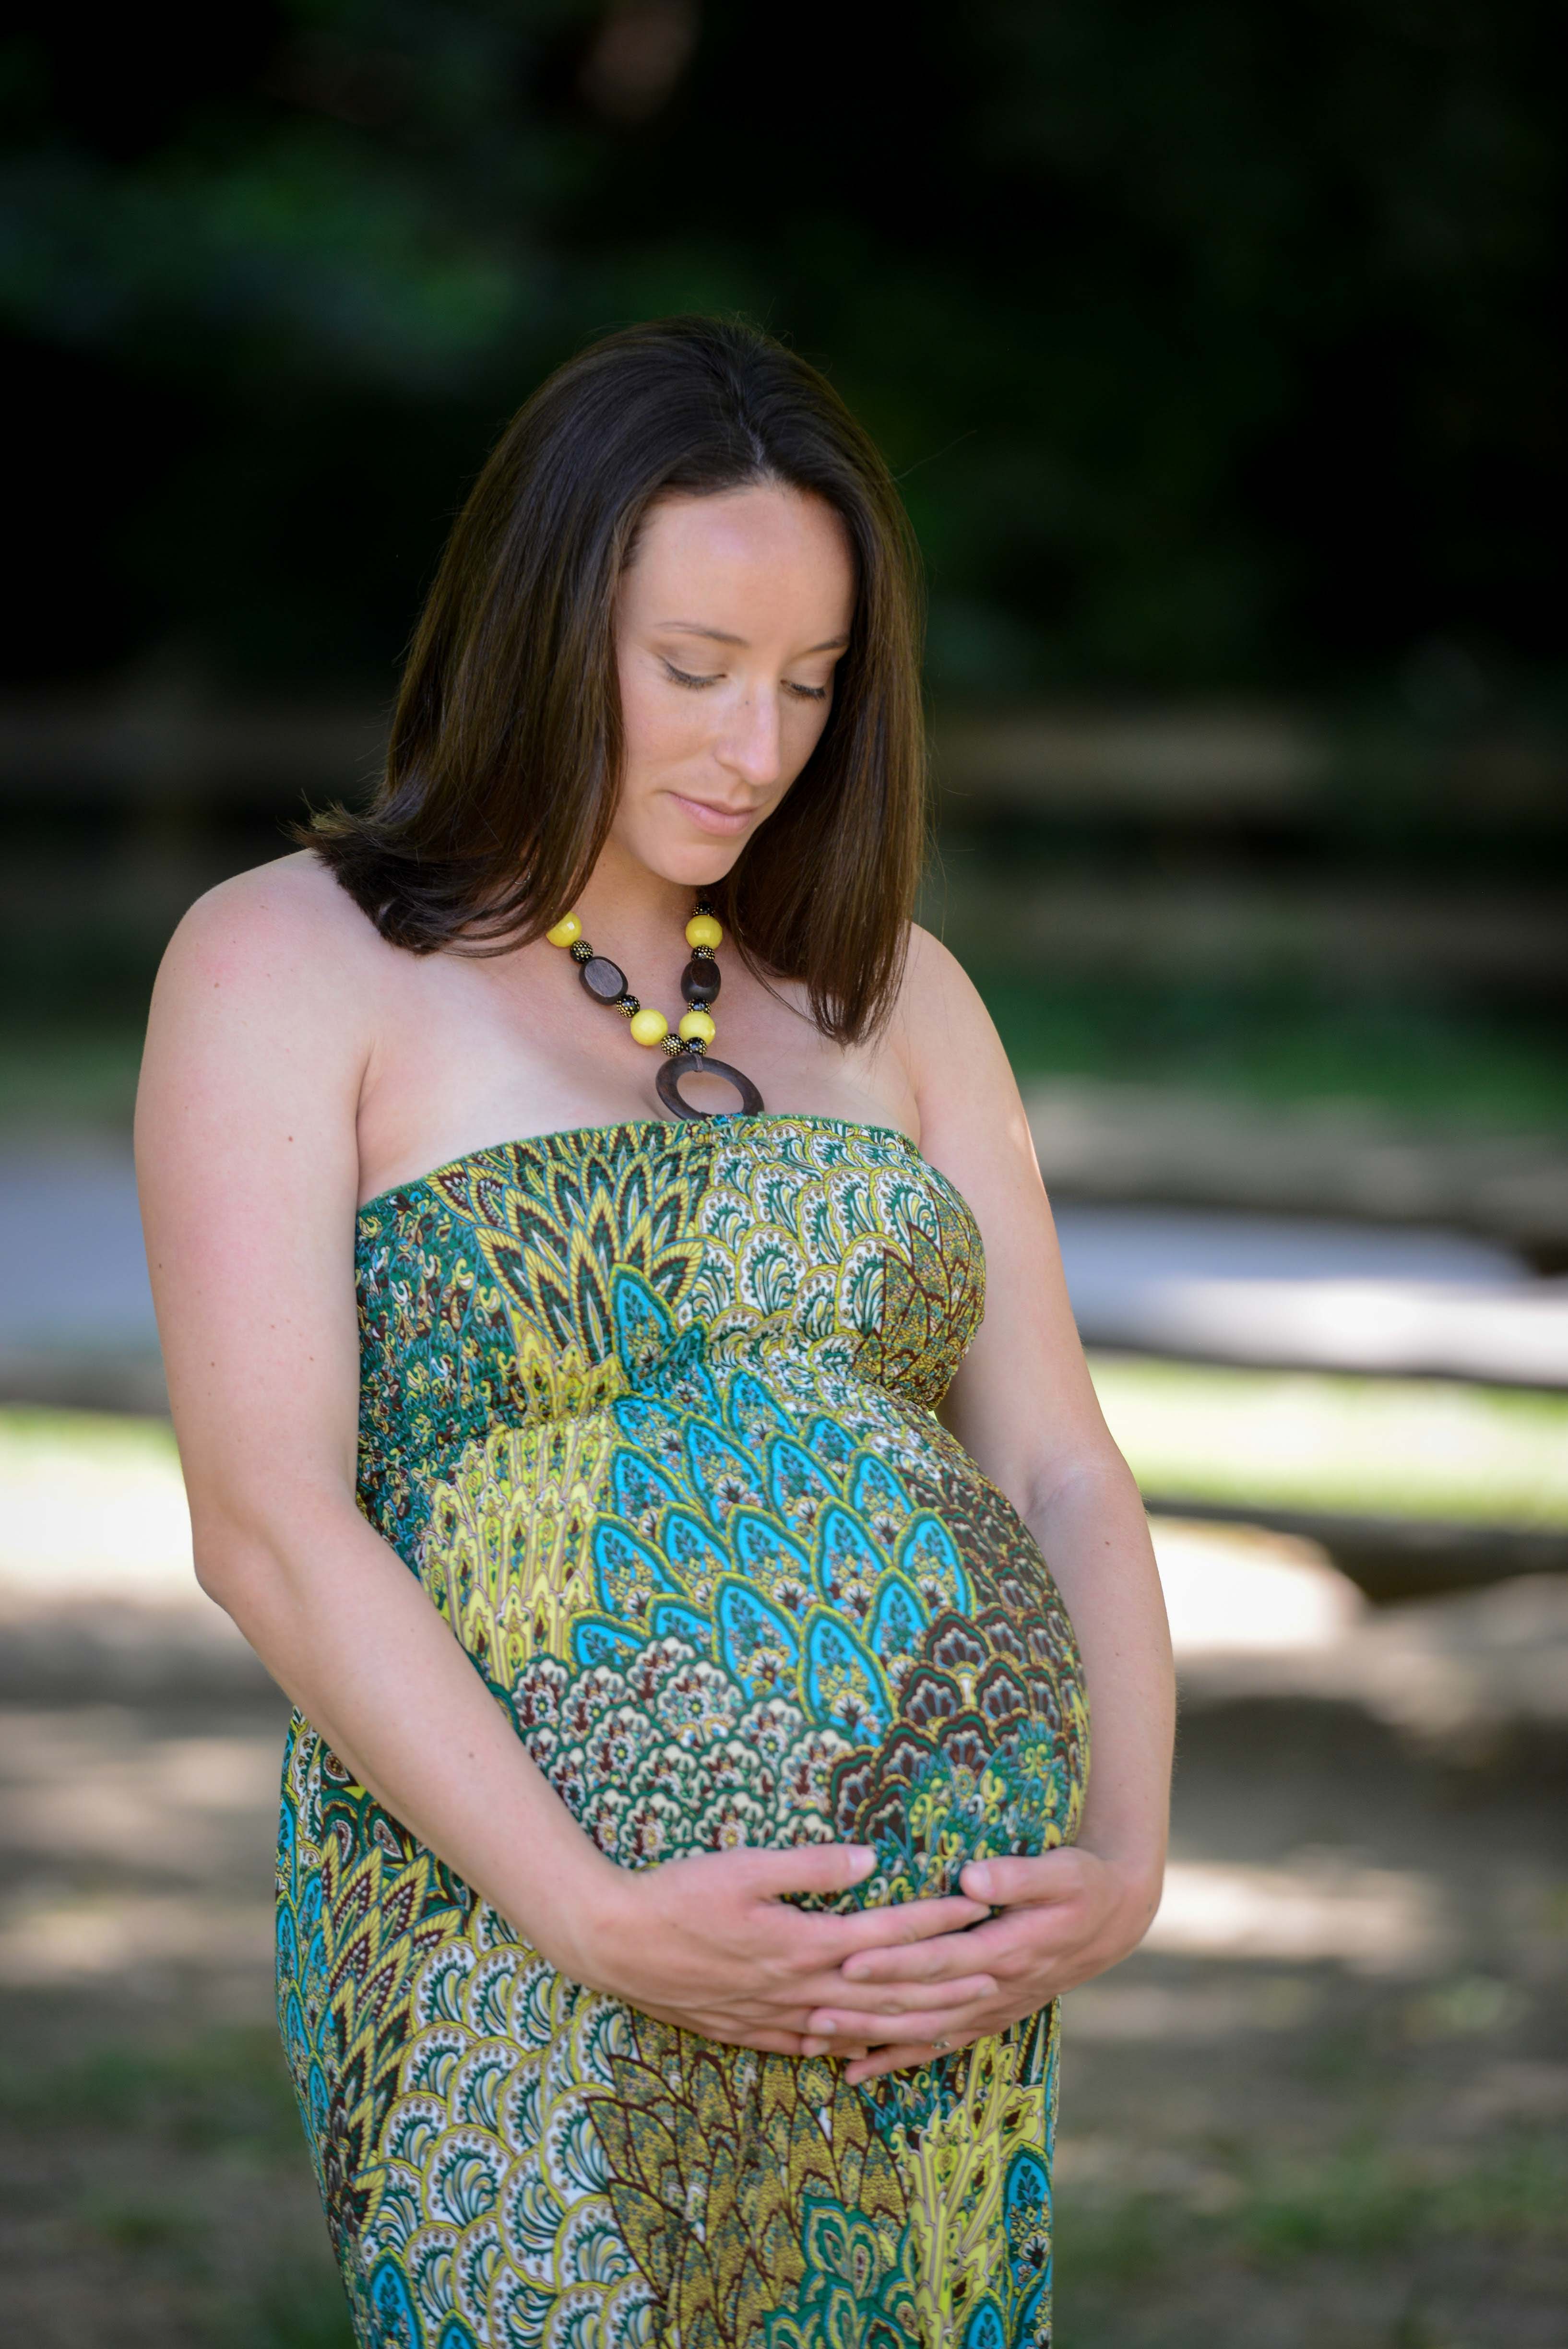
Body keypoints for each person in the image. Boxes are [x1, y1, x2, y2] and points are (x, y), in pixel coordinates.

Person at [136, 315, 1174, 2349]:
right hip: (508, 1930)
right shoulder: (290, 964)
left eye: (811, 684)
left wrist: (1122, 1861)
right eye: (691, 671)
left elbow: (1058, 1461)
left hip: (923, 1971)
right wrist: (592, 1910)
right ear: (538, 629)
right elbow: (265, 1521)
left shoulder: (892, 997)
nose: (755, 748)